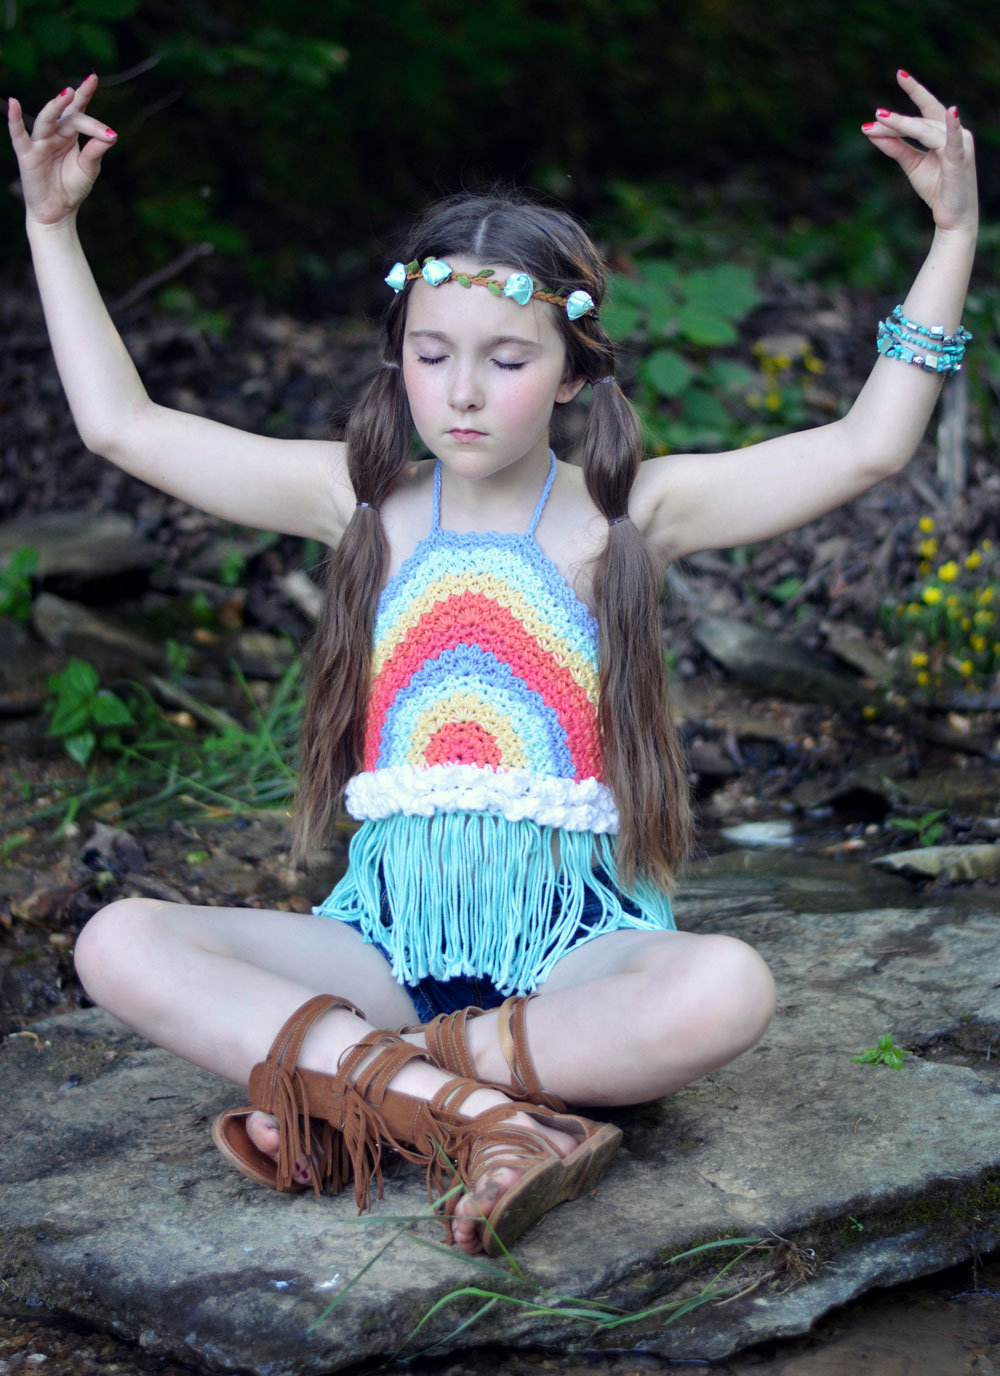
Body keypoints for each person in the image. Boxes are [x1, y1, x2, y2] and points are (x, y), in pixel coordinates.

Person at [7, 71, 977, 1257]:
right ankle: (490, 1120)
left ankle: (370, 1088)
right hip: (381, 943)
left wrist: (952, 233)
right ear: (397, 360)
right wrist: (50, 227)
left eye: (507, 359)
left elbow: (870, 445)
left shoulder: (632, 513)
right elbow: (123, 425)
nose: (462, 390)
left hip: (574, 955)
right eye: (432, 354)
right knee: (117, 941)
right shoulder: (356, 500)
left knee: (727, 985)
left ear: (572, 373)